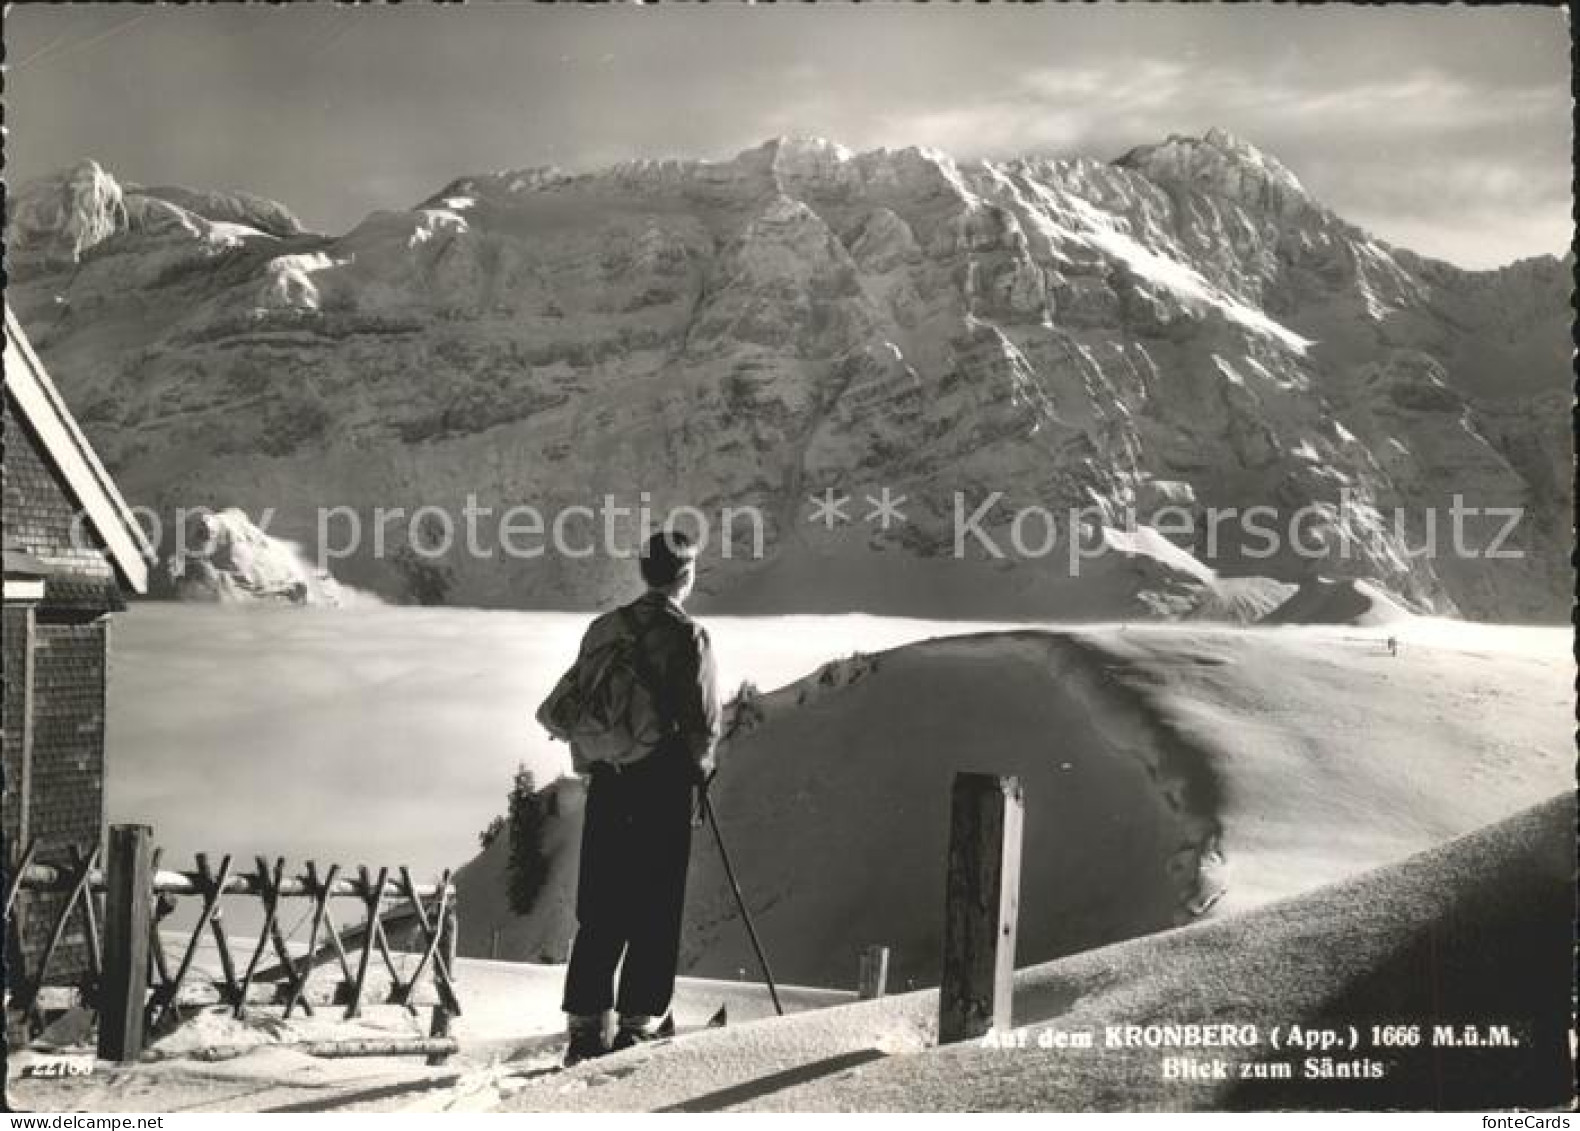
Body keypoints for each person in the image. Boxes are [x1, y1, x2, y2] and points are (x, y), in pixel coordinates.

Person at [560, 529, 721, 1065]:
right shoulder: (689, 636)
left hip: (609, 781)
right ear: (685, 575)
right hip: (662, 786)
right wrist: (701, 772)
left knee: (601, 905)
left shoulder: (603, 629)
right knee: (656, 906)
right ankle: (638, 1023)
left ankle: (584, 1027)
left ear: (643, 570)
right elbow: (701, 723)